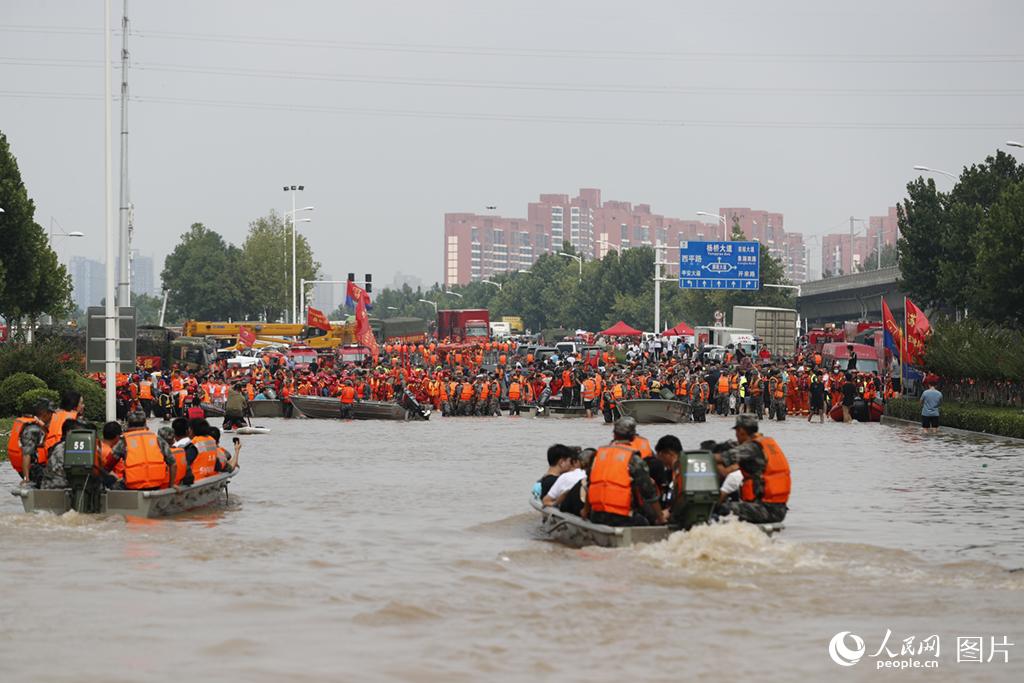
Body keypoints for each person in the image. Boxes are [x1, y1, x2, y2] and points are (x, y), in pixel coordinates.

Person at [582, 417, 663, 527]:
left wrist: (585, 511)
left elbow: (590, 485)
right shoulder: (633, 459)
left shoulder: (598, 455)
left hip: (596, 515)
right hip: (621, 516)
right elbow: (648, 492)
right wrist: (660, 517)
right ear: (633, 437)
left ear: (614, 435)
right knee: (646, 521)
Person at [716, 415, 790, 524]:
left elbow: (722, 458)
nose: (736, 435)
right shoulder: (767, 443)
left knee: (719, 508)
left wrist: (707, 456)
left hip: (764, 509)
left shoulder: (751, 448)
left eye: (736, 431)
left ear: (741, 431)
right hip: (778, 508)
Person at [111, 410, 177, 490]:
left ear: (128, 424)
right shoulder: (157, 439)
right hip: (156, 485)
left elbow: (109, 463)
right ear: (145, 423)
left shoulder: (123, 441)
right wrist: (172, 485)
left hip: (132, 487)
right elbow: (173, 463)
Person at [7, 398, 55, 486]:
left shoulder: (37, 425)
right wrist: (26, 479)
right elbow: (26, 454)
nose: (52, 416)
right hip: (35, 470)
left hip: (34, 467)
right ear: (44, 412)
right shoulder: (33, 429)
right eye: (50, 413)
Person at [543, 448, 587, 516]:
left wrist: (556, 502)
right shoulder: (589, 474)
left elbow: (545, 501)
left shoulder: (564, 477)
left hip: (575, 512)